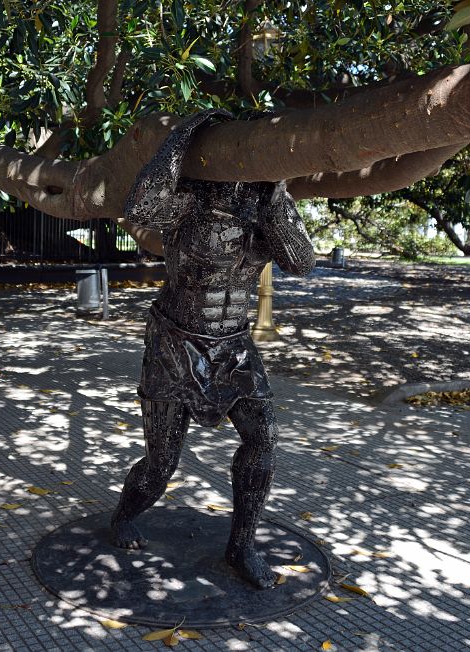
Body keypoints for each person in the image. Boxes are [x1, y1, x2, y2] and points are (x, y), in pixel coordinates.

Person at [109, 109, 315, 588]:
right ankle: (123, 515)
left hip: (234, 345)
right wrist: (184, 134)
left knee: (263, 440)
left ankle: (241, 546)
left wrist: (277, 191)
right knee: (162, 461)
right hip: (176, 340)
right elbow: (140, 208)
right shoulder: (192, 198)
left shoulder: (265, 204)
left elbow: (302, 263)